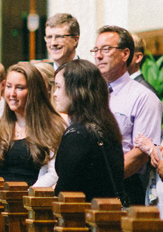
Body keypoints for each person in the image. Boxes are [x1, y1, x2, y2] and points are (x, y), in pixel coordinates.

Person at [92, 25, 162, 205]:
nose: (98, 56)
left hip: (124, 188)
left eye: (106, 49)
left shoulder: (143, 97)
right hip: (89, 186)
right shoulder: (91, 94)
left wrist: (103, 179)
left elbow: (140, 154)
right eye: (96, 50)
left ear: (125, 54)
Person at [0, 62, 65, 188]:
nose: (12, 94)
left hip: (31, 201)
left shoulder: (53, 126)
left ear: (34, 91)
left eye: (19, 88)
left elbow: (54, 173)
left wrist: (24, 198)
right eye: (9, 86)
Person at [53, 59, 126, 199]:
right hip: (106, 213)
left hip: (83, 215)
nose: (55, 94)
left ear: (75, 91)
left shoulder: (77, 135)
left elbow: (66, 190)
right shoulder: (106, 125)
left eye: (58, 87)